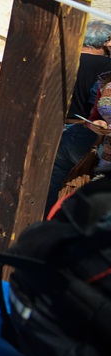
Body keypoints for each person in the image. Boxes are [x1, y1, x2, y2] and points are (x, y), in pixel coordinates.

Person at [45, 20, 111, 213]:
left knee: (55, 191)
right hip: (88, 136)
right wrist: (96, 123)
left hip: (58, 133)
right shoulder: (105, 73)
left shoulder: (58, 59)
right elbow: (95, 109)